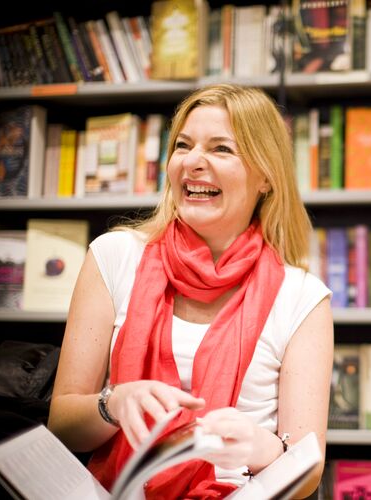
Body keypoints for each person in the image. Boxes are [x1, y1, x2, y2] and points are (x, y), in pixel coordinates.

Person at [47, 84, 334, 499]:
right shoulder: (113, 257)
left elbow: (308, 471)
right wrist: (115, 402)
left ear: (266, 177)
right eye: (183, 145)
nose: (193, 162)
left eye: (221, 149)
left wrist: (263, 447)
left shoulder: (303, 298)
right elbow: (62, 425)